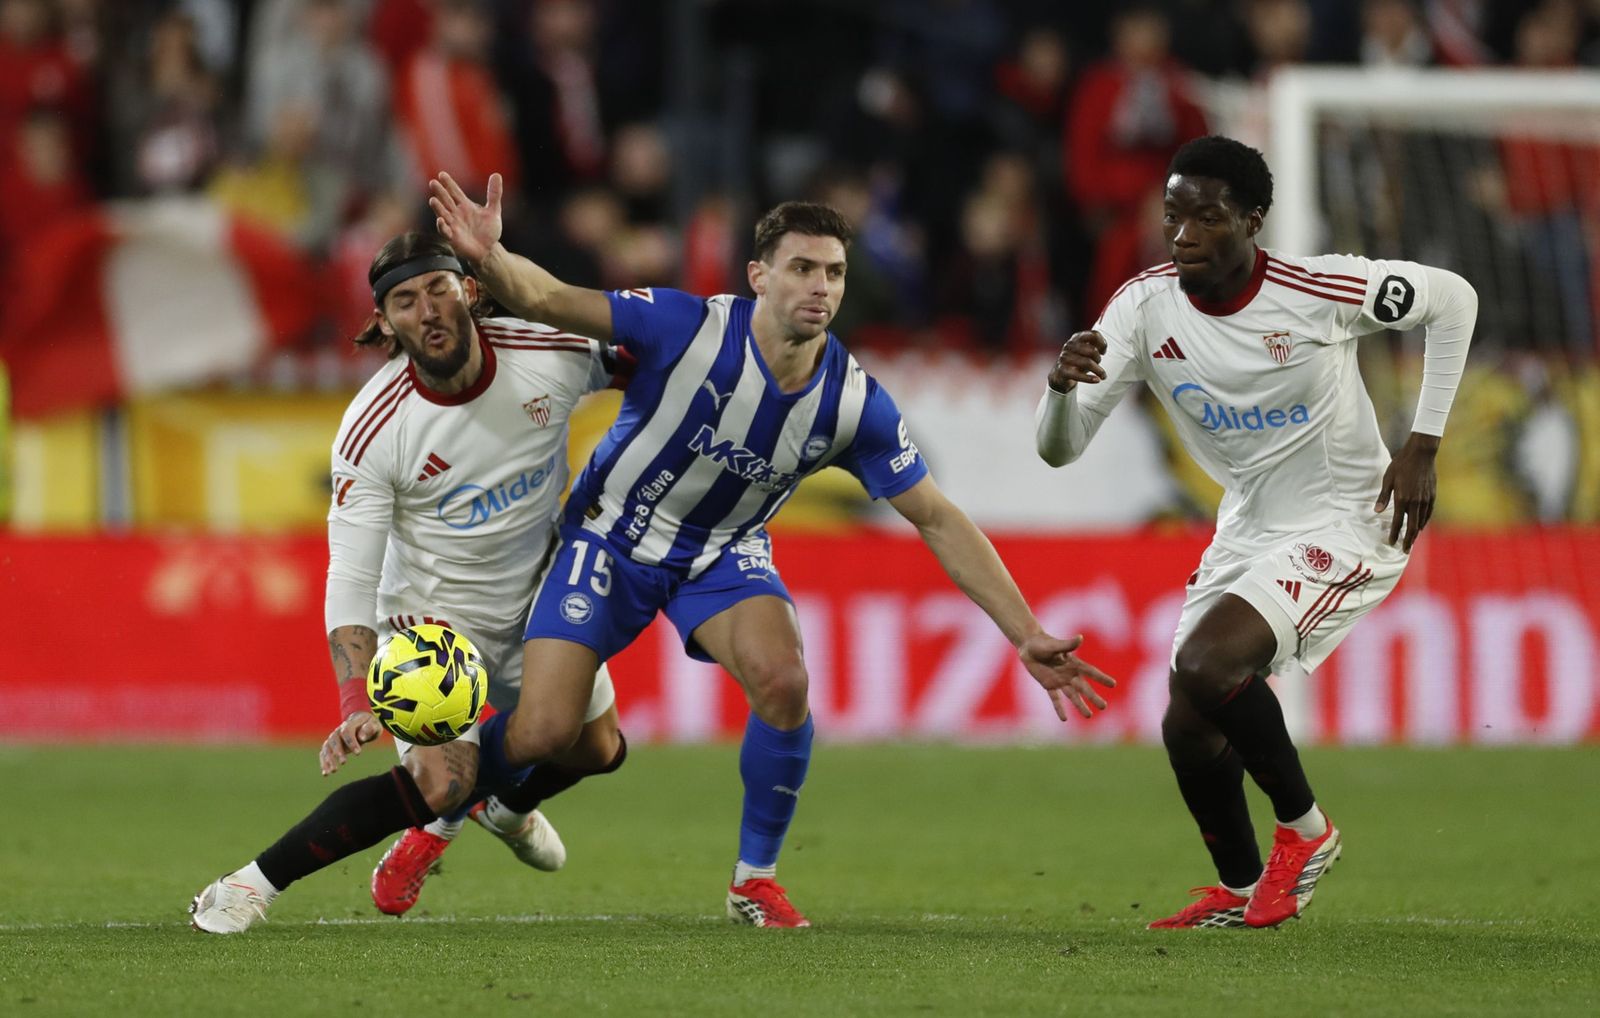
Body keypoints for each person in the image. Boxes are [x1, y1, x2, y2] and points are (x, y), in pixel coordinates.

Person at [428, 170, 1119, 928]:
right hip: (611, 534)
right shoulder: (685, 326)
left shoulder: (853, 403)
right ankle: (444, 812)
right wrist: (489, 257)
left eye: (835, 273)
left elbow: (938, 517)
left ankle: (753, 881)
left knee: (784, 682)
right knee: (545, 732)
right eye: (802, 268)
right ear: (759, 276)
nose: (821, 287)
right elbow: (549, 299)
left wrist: (1025, 632)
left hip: (720, 552)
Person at [1036, 135, 1476, 929]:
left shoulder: (1316, 289)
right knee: (1186, 722)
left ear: (1251, 221)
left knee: (1209, 663)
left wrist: (1423, 442)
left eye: (1206, 217)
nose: (1184, 235)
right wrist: (1061, 391)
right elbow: (1058, 452)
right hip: (1250, 524)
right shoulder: (1142, 308)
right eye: (1173, 216)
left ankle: (1306, 832)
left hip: (1351, 518)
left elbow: (1454, 299)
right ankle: (1241, 889)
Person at [190, 232, 630, 933]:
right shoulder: (374, 426)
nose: (426, 310)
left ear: (470, 292)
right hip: (433, 620)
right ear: (386, 322)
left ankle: (502, 810)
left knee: (599, 750)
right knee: (441, 781)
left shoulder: (550, 352)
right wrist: (355, 700)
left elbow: (658, 357)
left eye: (437, 289)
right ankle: (248, 885)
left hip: (540, 598)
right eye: (404, 301)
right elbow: (351, 574)